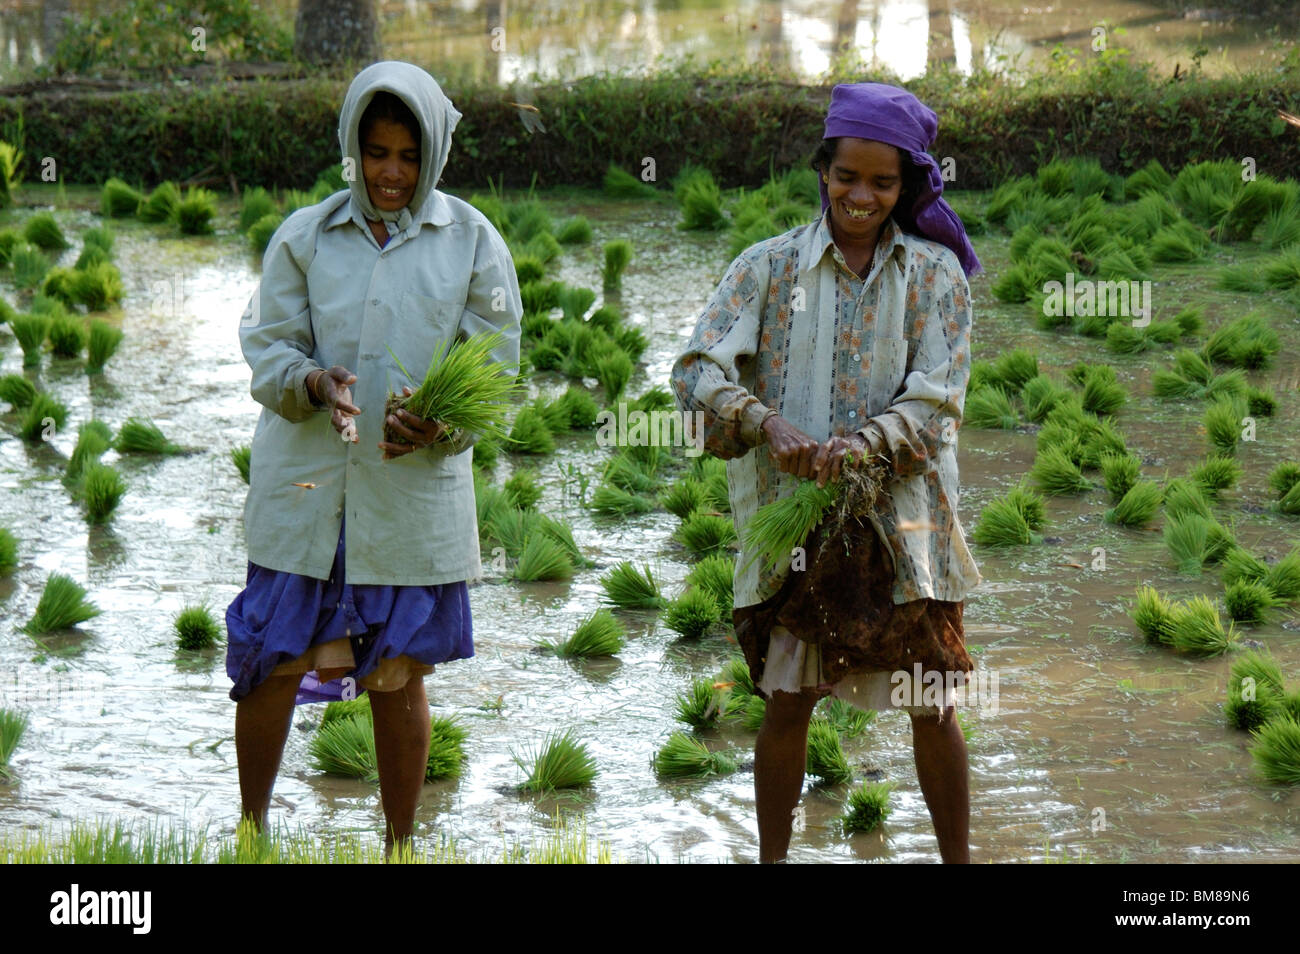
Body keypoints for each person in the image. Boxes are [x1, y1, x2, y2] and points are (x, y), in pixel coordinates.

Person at [670, 83, 983, 864]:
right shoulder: (768, 268)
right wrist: (762, 421)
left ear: (905, 186)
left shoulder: (936, 277)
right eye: (848, 176)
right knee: (788, 700)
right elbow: (694, 367)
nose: (861, 196)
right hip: (798, 524)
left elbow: (938, 400)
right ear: (822, 170)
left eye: (883, 183)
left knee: (931, 704)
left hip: (906, 526)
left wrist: (863, 445)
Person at [227, 61, 522, 856]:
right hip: (308, 487)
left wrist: (440, 423)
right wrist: (315, 381)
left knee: (397, 677)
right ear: (351, 150)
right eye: (376, 153)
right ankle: (250, 833)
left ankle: (400, 846)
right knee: (271, 662)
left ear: (435, 155)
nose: (391, 174)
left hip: (408, 492)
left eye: (408, 155)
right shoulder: (306, 235)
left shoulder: (470, 241)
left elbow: (495, 366)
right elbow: (267, 347)